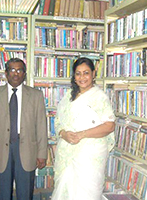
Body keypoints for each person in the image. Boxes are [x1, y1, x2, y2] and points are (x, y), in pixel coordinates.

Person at [0, 58, 48, 200]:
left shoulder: (36, 95)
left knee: (25, 193)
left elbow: (41, 126)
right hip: (0, 149)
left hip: (27, 149)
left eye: (19, 70)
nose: (16, 73)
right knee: (3, 193)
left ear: (24, 74)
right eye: (12, 70)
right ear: (6, 73)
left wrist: (42, 153)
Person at [52, 57, 116, 200]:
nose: (82, 77)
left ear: (93, 74)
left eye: (86, 73)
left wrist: (82, 134)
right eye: (78, 73)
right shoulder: (69, 96)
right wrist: (63, 134)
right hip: (66, 153)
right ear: (74, 76)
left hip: (89, 157)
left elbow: (109, 125)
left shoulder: (99, 97)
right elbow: (58, 121)